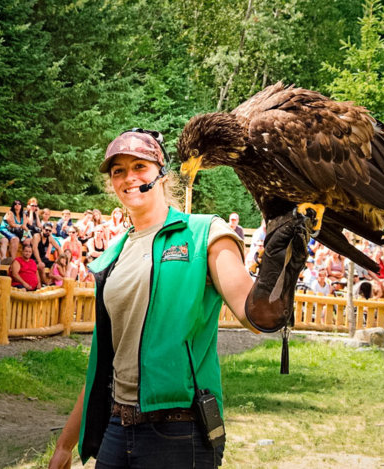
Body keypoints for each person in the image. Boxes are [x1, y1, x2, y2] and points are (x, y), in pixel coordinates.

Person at [50, 129, 266, 469]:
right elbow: (104, 360)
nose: (128, 177)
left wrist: (284, 256)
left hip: (180, 429)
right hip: (116, 429)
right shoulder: (114, 257)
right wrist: (65, 444)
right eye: (118, 170)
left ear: (161, 175)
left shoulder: (205, 234)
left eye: (139, 166)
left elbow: (255, 315)